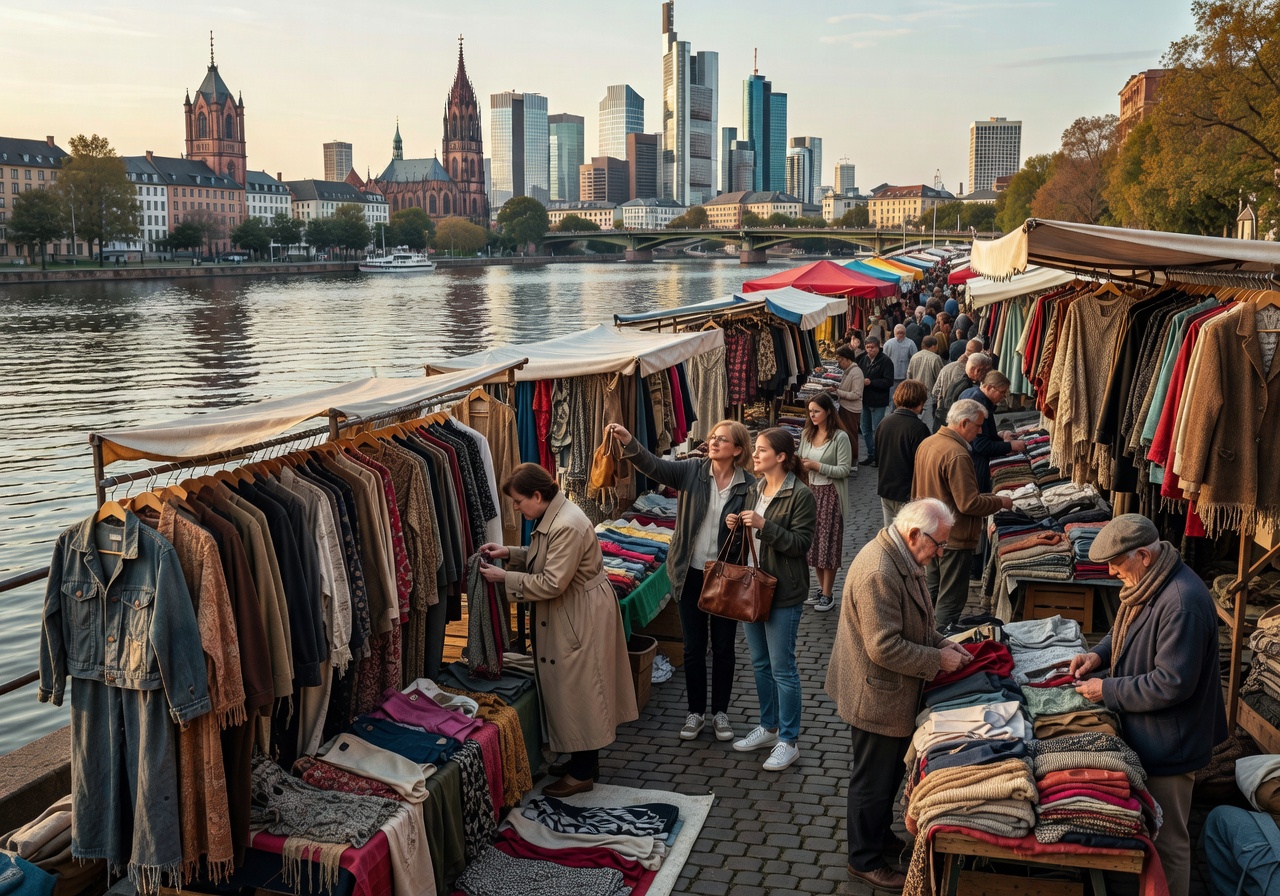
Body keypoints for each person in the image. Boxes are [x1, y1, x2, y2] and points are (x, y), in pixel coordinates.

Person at [1069, 514, 1226, 896]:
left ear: (1142, 555)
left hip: (1171, 740)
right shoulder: (1152, 582)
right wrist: (1099, 656)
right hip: (1152, 733)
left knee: (1168, 836)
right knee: (1154, 829)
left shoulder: (1182, 602)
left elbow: (1170, 683)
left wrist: (1106, 690)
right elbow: (1125, 630)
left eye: (1116, 564)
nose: (1110, 572)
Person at [826, 498, 973, 893]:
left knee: (888, 773)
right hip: (875, 693)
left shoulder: (901, 557)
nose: (941, 553)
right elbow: (884, 646)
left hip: (888, 691)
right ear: (913, 535)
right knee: (871, 780)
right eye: (939, 545)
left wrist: (945, 643)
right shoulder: (880, 570)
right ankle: (864, 859)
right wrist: (938, 660)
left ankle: (878, 837)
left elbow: (920, 622)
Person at [479, 463, 638, 797]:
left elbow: (552, 581)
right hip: (576, 609)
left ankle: (581, 773)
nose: (517, 508)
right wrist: (510, 554)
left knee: (580, 689)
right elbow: (546, 560)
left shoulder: (564, 525)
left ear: (538, 495)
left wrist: (504, 578)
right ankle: (583, 761)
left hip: (576, 615)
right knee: (580, 688)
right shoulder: (557, 515)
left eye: (519, 502)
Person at [607, 419, 754, 742]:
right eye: (713, 437)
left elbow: (759, 525)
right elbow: (655, 466)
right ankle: (696, 712)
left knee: (725, 648)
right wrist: (630, 440)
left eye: (723, 440)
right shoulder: (692, 471)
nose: (714, 442)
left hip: (726, 576)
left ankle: (721, 714)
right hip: (690, 573)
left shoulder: (748, 485)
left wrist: (743, 524)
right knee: (693, 647)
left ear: (738, 450)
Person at [725, 429, 816, 772]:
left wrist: (764, 525)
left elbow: (800, 545)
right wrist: (737, 523)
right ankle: (768, 725)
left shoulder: (801, 495)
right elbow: (752, 536)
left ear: (781, 456)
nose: (755, 455)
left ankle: (788, 740)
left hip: (782, 592)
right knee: (760, 663)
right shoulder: (754, 488)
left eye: (761, 450)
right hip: (752, 587)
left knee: (783, 668)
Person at [911, 399, 1012, 627]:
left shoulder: (928, 443)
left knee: (931, 591)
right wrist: (1000, 502)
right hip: (953, 537)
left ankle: (924, 635)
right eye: (978, 426)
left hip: (929, 531)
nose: (980, 431)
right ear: (964, 422)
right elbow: (968, 503)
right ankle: (939, 643)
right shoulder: (957, 454)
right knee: (950, 598)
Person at [798, 392, 854, 613]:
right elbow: (800, 460)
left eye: (816, 411)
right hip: (810, 494)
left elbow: (844, 469)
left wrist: (816, 465)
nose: (812, 415)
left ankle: (828, 594)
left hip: (830, 495)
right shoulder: (806, 434)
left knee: (828, 545)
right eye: (810, 411)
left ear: (828, 412)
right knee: (814, 546)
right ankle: (821, 589)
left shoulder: (840, 437)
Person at [875, 380, 932, 528]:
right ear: (919, 403)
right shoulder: (919, 428)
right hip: (907, 493)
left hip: (886, 490)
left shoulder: (884, 422)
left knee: (891, 537)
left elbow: (878, 457)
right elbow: (923, 465)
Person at [959, 370, 1026, 492]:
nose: (1003, 397)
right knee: (980, 497)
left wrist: (999, 437)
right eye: (1002, 392)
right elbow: (981, 445)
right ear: (990, 387)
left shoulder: (973, 394)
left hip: (969, 458)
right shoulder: (979, 405)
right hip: (975, 462)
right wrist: (1010, 446)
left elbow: (983, 436)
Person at [934, 350, 991, 433]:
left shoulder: (960, 381)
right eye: (986, 370)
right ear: (978, 370)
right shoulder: (968, 389)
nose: (987, 374)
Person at [858, 336, 894, 467]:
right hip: (865, 400)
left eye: (872, 347)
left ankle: (879, 456)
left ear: (878, 347)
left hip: (878, 401)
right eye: (867, 347)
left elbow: (889, 381)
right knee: (865, 429)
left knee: (877, 430)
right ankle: (871, 454)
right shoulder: (863, 359)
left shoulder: (886, 361)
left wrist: (871, 382)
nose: (870, 350)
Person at [906, 336, 945, 428]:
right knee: (928, 422)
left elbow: (909, 375)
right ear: (933, 346)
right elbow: (940, 378)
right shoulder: (935, 358)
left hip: (915, 393)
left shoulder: (914, 357)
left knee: (915, 419)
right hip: (928, 394)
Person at [832, 345, 866, 441]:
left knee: (850, 436)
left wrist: (838, 392)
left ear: (847, 359)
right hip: (846, 407)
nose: (840, 364)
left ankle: (852, 455)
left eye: (841, 361)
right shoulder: (849, 371)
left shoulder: (856, 372)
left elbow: (856, 394)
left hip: (851, 409)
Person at [883, 324, 918, 402]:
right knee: (893, 399)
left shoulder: (910, 343)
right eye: (898, 333)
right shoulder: (888, 344)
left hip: (905, 376)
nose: (900, 335)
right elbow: (884, 360)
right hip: (892, 376)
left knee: (905, 397)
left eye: (902, 333)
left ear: (905, 333)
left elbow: (915, 358)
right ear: (895, 333)